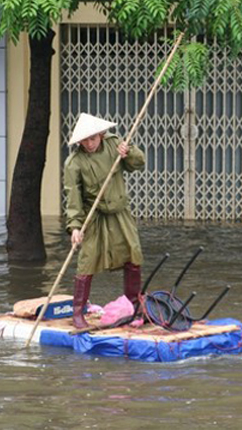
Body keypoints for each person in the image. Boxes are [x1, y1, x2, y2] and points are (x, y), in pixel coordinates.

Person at [63, 113, 145, 329]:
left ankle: (134, 307)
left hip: (120, 212)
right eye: (84, 140)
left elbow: (138, 163)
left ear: (100, 135)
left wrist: (128, 152)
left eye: (92, 138)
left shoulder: (114, 144)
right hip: (94, 215)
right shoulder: (74, 162)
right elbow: (73, 197)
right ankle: (78, 312)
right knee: (87, 259)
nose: (89, 144)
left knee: (133, 253)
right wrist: (75, 227)